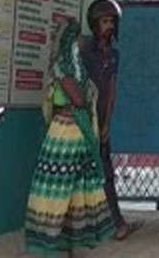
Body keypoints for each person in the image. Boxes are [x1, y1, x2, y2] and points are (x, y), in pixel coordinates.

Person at [25, 18, 115, 256]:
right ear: (68, 41)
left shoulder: (75, 67)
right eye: (76, 39)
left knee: (76, 193)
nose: (80, 43)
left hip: (74, 134)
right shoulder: (63, 67)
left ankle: (72, 245)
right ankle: (49, 243)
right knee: (58, 190)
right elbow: (78, 99)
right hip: (65, 134)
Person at [80, 0, 139, 241]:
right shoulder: (84, 50)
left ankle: (116, 223)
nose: (109, 26)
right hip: (82, 118)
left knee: (106, 172)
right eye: (105, 22)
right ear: (95, 24)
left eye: (112, 22)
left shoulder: (113, 54)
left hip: (100, 119)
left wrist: (106, 123)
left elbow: (111, 90)